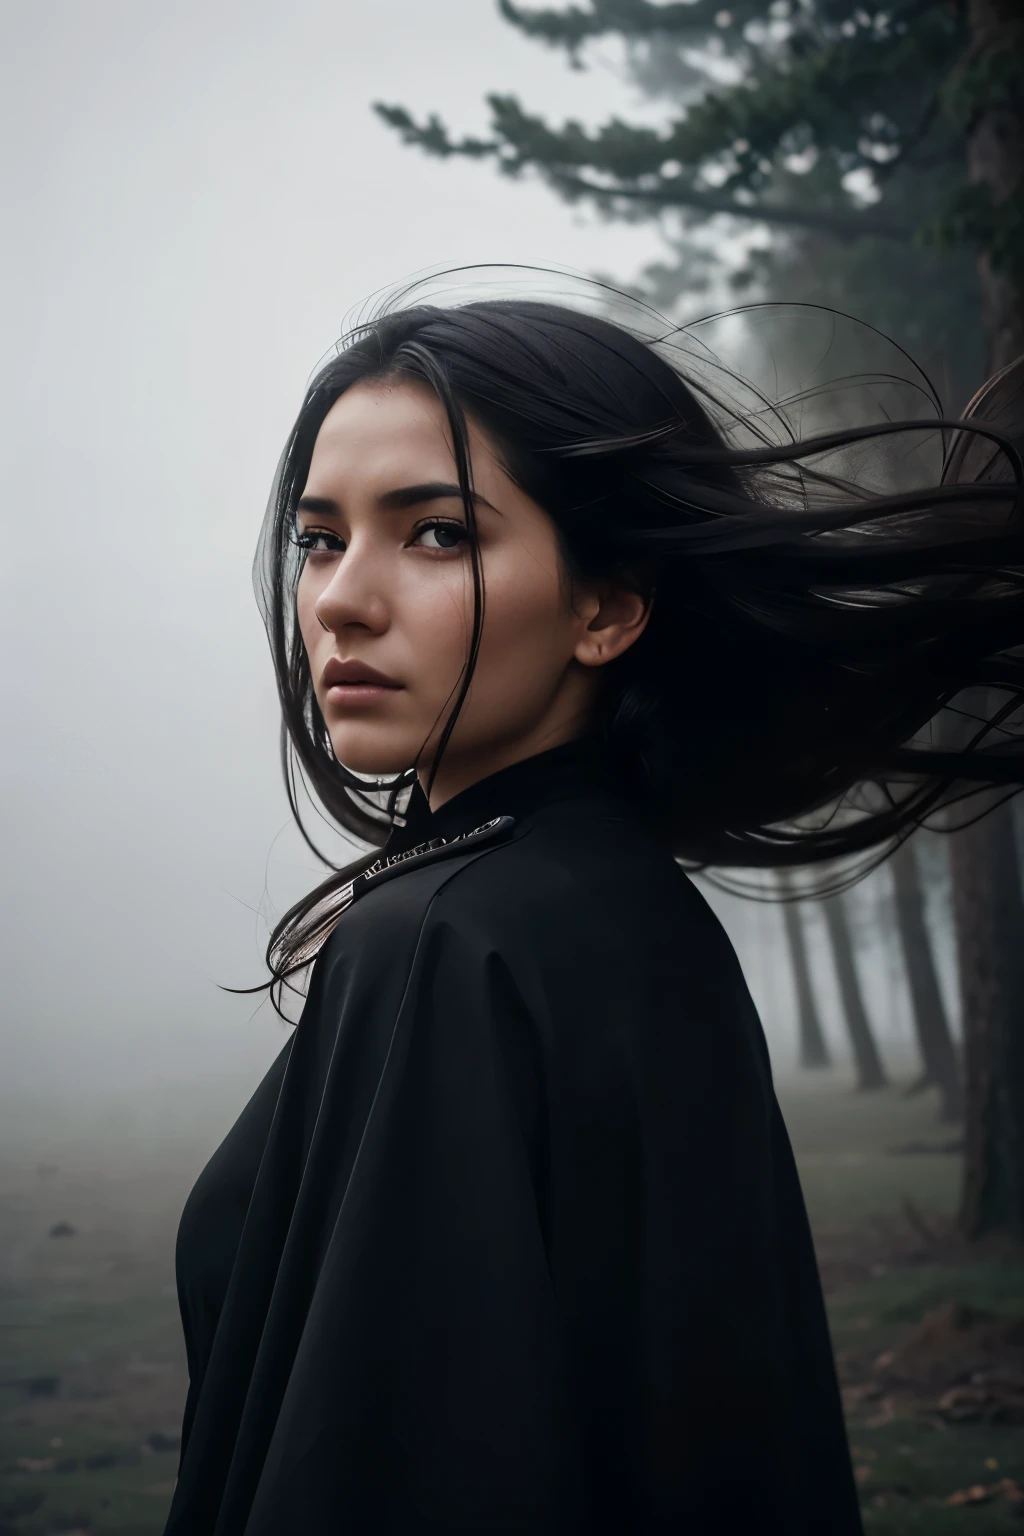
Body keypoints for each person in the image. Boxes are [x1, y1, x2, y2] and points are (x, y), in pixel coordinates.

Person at [165, 278, 1023, 1535]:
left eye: (436, 533)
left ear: (606, 606)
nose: (341, 597)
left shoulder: (452, 941)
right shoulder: (622, 910)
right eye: (319, 536)